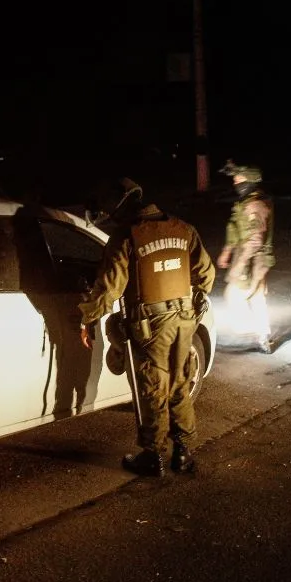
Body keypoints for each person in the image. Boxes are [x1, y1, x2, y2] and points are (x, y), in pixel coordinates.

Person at [79, 177, 216, 476]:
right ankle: (182, 452)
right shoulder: (182, 229)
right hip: (183, 319)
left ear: (118, 206)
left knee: (153, 387)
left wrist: (88, 317)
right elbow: (206, 273)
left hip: (150, 324)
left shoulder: (127, 236)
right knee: (180, 381)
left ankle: (153, 456)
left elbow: (109, 288)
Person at [216, 160, 276, 353]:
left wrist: (240, 263)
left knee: (234, 294)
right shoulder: (246, 202)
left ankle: (253, 331)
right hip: (248, 256)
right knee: (256, 295)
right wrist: (227, 251)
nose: (235, 183)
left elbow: (255, 240)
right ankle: (262, 335)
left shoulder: (255, 205)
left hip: (253, 258)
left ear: (250, 181)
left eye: (239, 179)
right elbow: (235, 228)